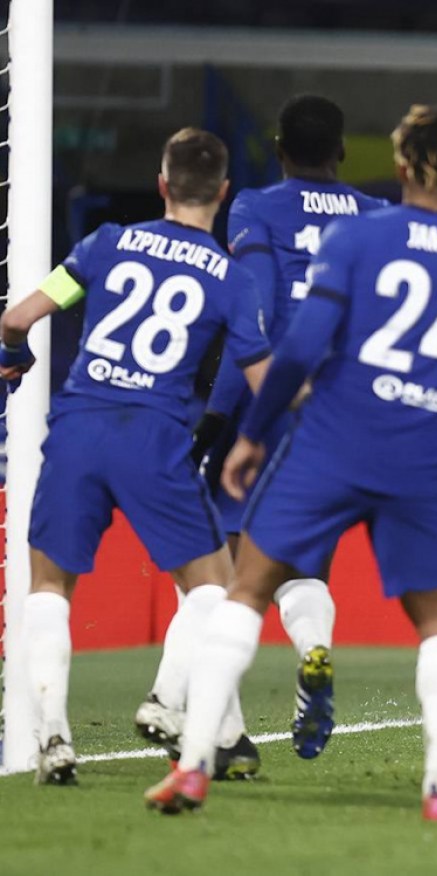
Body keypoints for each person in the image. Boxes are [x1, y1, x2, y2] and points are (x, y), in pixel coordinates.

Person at [144, 105, 437, 822]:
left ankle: (193, 768)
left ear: (399, 167)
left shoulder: (358, 237)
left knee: (247, 591)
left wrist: (251, 436)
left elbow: (299, 347)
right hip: (421, 459)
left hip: (328, 442)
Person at [0, 129, 270, 784]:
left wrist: (16, 360)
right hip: (155, 438)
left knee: (50, 587)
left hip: (78, 427)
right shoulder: (233, 282)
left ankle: (54, 741)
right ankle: (180, 715)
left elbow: (15, 318)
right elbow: (265, 384)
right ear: (224, 194)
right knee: (211, 586)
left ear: (162, 184)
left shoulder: (105, 244)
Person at [191, 94, 390, 761]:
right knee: (306, 563)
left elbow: (252, 316)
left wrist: (218, 417)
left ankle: (215, 732)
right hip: (350, 412)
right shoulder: (378, 217)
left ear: (278, 150)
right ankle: (314, 652)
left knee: (230, 575)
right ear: (341, 152)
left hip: (270, 400)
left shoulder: (254, 207)